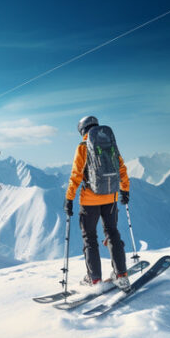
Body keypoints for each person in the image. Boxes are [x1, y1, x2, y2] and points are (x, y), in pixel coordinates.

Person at [63, 116, 131, 290]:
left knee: (90, 238)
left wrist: (69, 199)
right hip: (111, 197)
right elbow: (121, 168)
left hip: (90, 200)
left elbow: (76, 175)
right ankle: (121, 274)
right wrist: (125, 190)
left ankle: (94, 279)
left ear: (82, 131)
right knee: (112, 232)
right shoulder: (109, 145)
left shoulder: (83, 147)